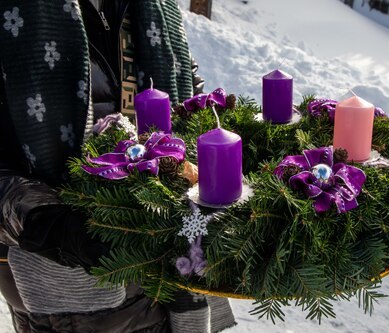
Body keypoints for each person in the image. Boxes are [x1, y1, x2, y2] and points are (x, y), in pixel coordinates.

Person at [0, 0, 235, 332]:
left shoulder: (158, 7)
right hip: (72, 290)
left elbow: (189, 100)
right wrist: (54, 226)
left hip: (174, 262)